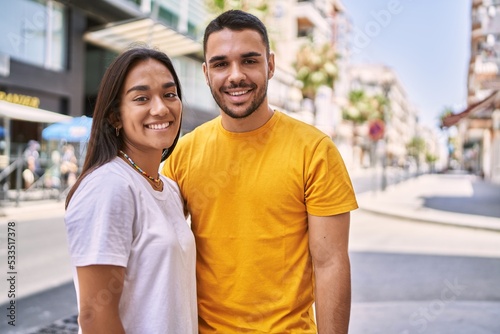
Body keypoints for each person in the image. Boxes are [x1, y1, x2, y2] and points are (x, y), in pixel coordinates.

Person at [163, 9, 358, 334]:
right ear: (206, 72)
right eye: (221, 64)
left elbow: (331, 264)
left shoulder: (315, 151)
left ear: (270, 65)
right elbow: (155, 244)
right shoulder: (185, 152)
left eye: (249, 61)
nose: (235, 75)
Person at [64, 47, 197, 334]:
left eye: (169, 94)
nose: (161, 108)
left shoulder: (168, 188)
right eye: (141, 98)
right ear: (115, 117)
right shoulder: (108, 186)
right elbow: (95, 316)